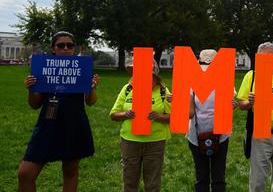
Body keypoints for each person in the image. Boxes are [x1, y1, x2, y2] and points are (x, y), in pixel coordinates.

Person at [18, 31, 99, 192]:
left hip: (73, 124)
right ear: (53, 48)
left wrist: (92, 88)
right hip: (48, 124)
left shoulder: (81, 68)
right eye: (61, 45)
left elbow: (90, 101)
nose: (65, 48)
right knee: (25, 174)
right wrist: (31, 89)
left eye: (69, 45)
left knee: (70, 171)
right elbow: (34, 105)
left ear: (74, 48)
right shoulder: (43, 68)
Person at [237, 42, 273, 192]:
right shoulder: (252, 76)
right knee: (257, 181)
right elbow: (241, 104)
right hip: (261, 133)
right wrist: (249, 103)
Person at [110, 59, 171, 192]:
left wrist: (158, 116)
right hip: (130, 142)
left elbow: (173, 118)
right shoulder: (127, 89)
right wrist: (125, 114)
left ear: (154, 76)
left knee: (152, 184)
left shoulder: (162, 91)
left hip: (155, 142)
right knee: (130, 182)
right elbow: (113, 115)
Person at [187, 49, 233, 192]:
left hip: (221, 134)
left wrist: (233, 106)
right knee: (202, 176)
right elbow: (190, 113)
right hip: (196, 135)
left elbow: (231, 105)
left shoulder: (225, 81)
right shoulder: (192, 82)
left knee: (218, 176)